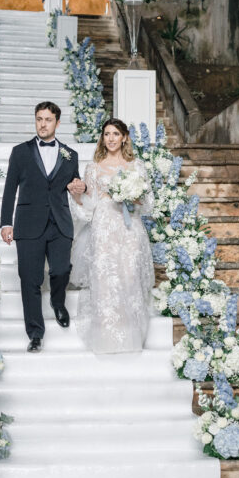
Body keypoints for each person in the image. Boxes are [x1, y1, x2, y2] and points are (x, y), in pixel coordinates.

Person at [0, 102, 85, 352]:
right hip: (28, 224)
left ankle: (58, 303)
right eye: (39, 119)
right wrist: (6, 222)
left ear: (58, 123)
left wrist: (81, 188)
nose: (43, 124)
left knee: (60, 270)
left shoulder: (71, 154)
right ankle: (35, 333)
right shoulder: (20, 152)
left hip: (59, 223)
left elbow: (76, 185)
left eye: (48, 120)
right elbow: (9, 189)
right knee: (30, 279)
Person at [69, 117, 154, 353]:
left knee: (128, 275)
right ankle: (105, 335)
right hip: (104, 224)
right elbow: (89, 204)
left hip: (129, 226)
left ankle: (130, 334)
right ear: (102, 138)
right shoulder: (93, 168)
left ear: (124, 137)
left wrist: (130, 195)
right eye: (107, 134)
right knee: (105, 278)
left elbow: (148, 204)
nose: (111, 139)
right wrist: (76, 195)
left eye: (115, 134)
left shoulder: (137, 166)